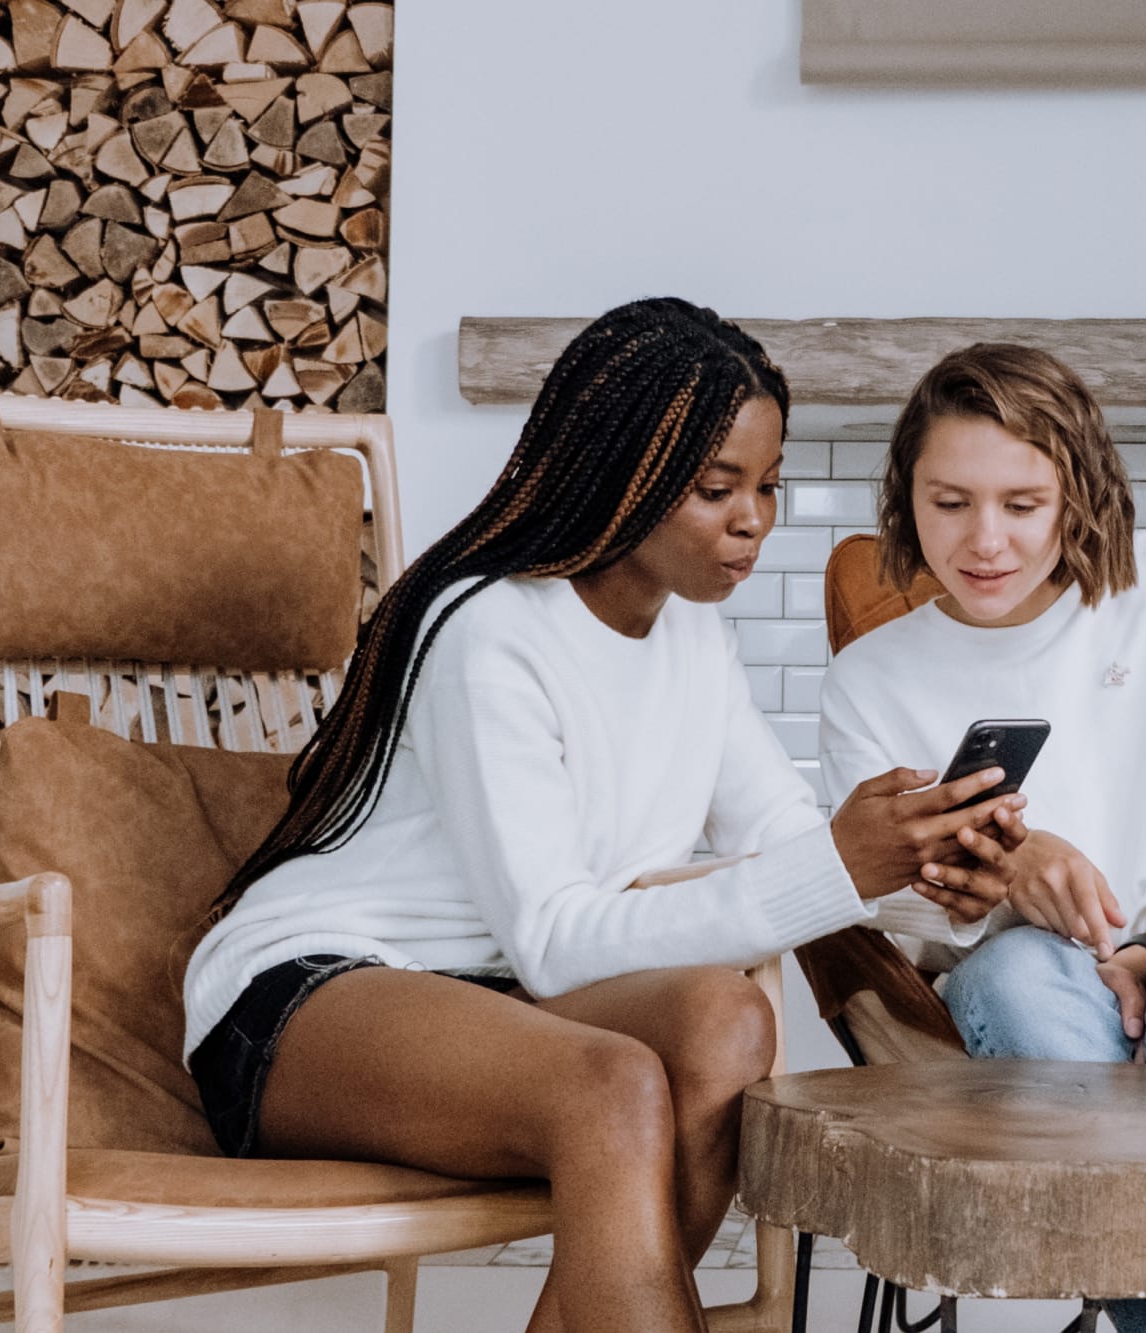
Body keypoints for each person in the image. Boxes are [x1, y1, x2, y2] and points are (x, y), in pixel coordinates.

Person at [183, 299, 1025, 1333]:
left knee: (725, 1023)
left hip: (501, 1005)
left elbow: (787, 848)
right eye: (717, 487)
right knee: (615, 1085)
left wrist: (928, 879)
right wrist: (843, 864)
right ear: (621, 474)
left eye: (765, 486)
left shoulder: (690, 646)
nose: (752, 517)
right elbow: (554, 941)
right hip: (314, 995)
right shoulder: (486, 629)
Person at [818, 343, 1146, 1333]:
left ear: (1076, 495)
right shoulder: (873, 679)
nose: (984, 541)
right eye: (949, 501)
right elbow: (881, 900)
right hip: (1030, 998)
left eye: (1021, 503)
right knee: (1010, 976)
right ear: (904, 499)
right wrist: (1009, 873)